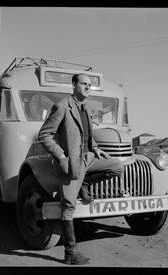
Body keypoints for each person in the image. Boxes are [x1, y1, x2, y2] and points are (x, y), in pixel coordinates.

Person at [38, 74, 124, 265]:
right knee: (68, 207)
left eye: (89, 85)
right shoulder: (62, 106)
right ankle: (70, 252)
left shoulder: (85, 108)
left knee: (117, 167)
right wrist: (61, 156)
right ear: (74, 85)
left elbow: (86, 135)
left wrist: (97, 149)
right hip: (72, 163)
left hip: (89, 158)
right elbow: (44, 135)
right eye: (84, 84)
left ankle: (84, 182)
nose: (87, 87)